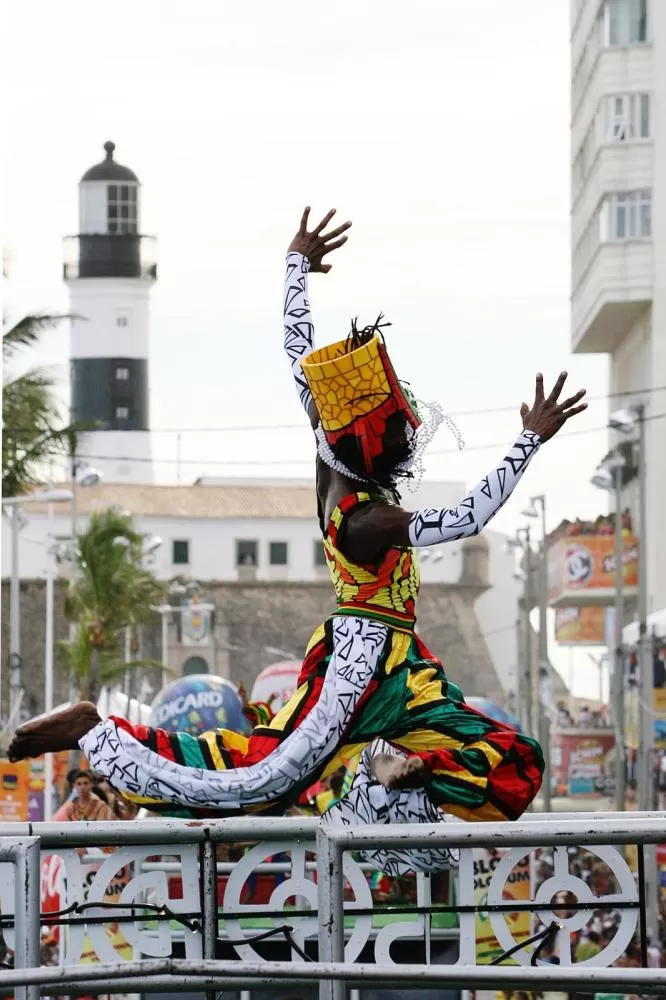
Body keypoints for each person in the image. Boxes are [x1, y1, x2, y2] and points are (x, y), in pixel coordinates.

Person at [8, 209, 587, 873]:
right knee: (261, 780)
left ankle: (396, 777)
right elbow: (463, 520)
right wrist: (528, 441)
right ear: (371, 441)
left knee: (513, 759)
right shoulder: (365, 519)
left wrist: (295, 267)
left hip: (401, 664)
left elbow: (297, 356)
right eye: (400, 430)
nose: (411, 435)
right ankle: (97, 731)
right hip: (358, 664)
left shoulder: (331, 445)